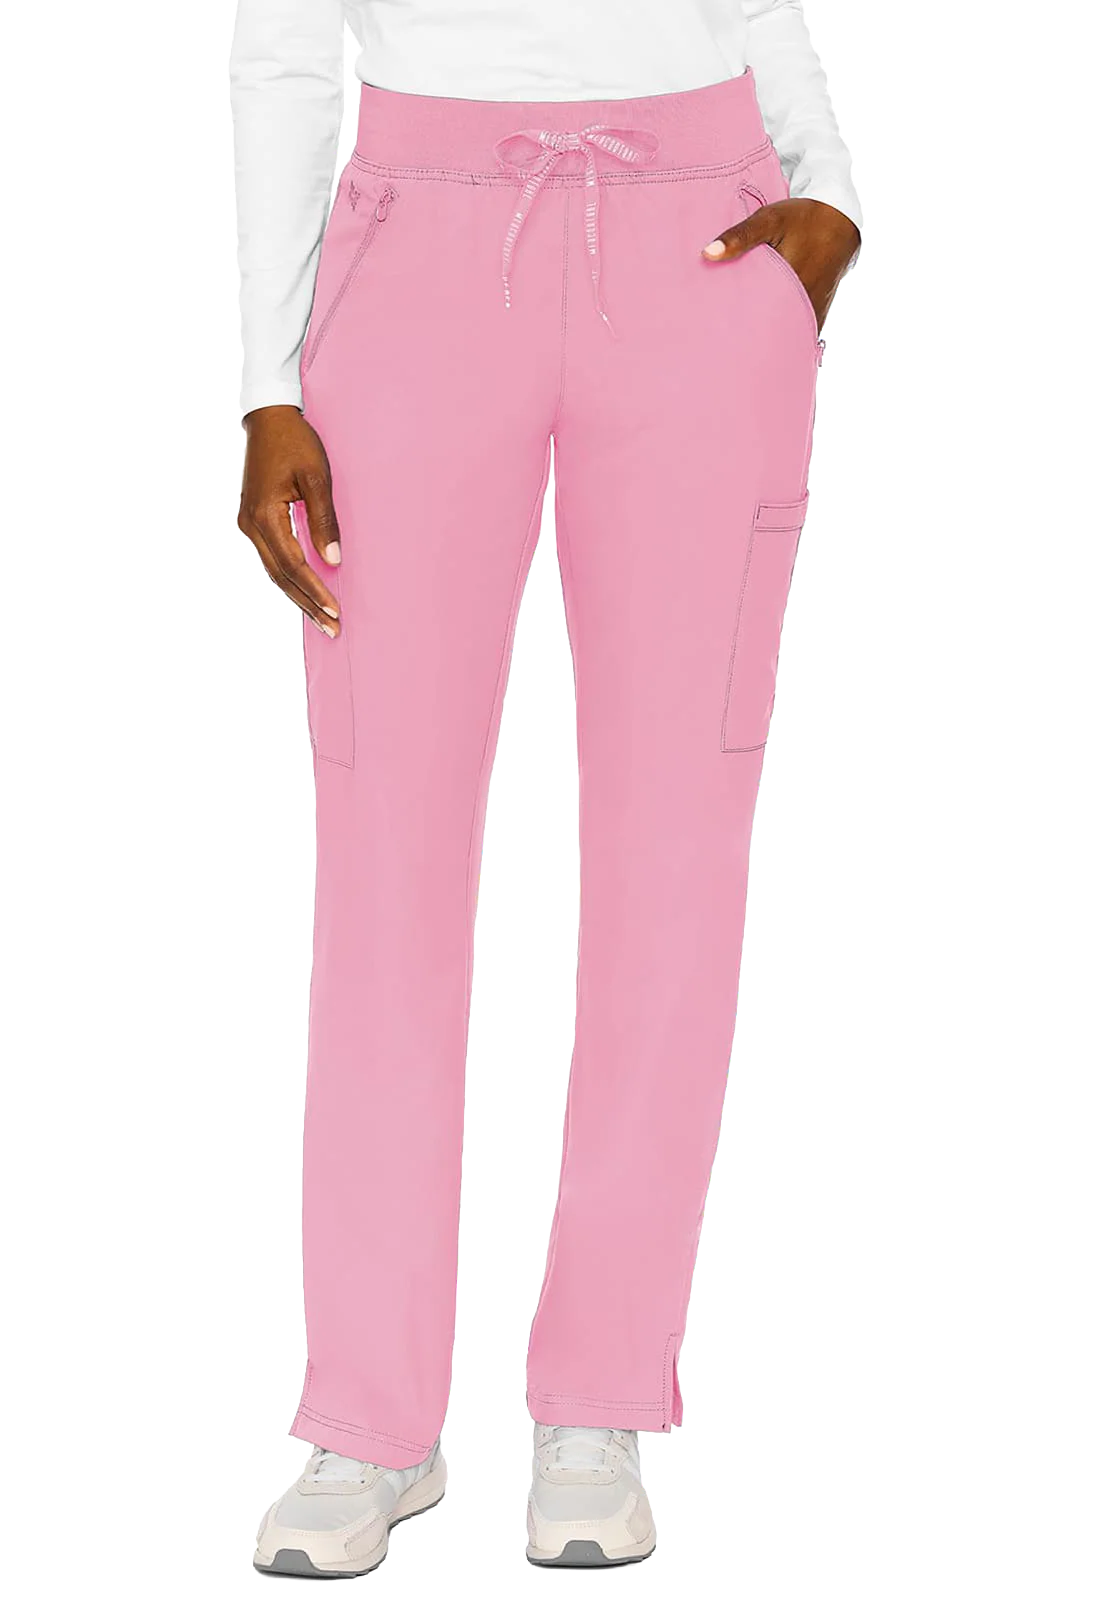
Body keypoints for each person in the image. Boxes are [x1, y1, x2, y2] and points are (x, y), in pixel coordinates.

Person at [233, 0, 863, 1578]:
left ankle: (600, 1405)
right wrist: (264, 382)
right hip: (416, 255)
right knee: (382, 858)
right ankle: (369, 1422)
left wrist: (829, 199)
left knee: (678, 846)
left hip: (704, 244)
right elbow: (290, 45)